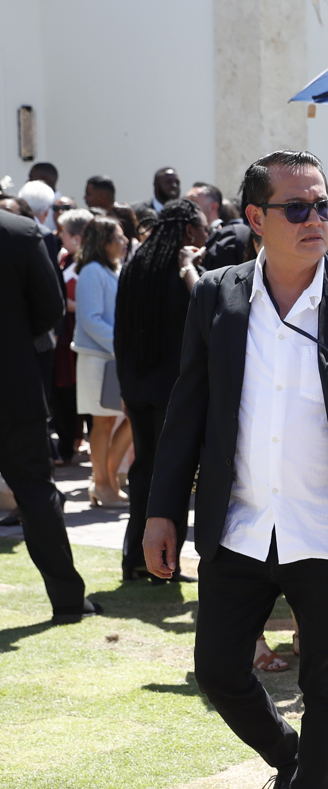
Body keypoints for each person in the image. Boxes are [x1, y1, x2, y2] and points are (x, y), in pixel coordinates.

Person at [142, 150, 328, 789]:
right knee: (216, 670)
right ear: (254, 219)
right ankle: (287, 754)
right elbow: (187, 410)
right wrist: (161, 508)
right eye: (296, 208)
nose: (314, 220)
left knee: (326, 690)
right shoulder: (218, 294)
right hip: (238, 527)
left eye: (323, 206)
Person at [0, 205, 100, 623]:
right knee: (37, 494)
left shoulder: (22, 231)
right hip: (13, 386)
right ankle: (68, 599)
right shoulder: (21, 232)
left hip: (15, 386)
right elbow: (50, 309)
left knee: (38, 495)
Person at [113, 199, 208, 583]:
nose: (207, 233)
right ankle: (164, 564)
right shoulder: (181, 272)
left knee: (144, 471)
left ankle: (136, 557)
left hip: (138, 386)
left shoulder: (138, 264)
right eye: (201, 227)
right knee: (172, 475)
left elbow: (121, 331)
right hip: (171, 392)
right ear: (188, 231)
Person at [72, 216, 131, 508]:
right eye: (118, 237)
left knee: (126, 418)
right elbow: (91, 320)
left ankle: (105, 481)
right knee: (103, 423)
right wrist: (124, 347)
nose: (125, 241)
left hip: (111, 358)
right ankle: (103, 484)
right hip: (97, 359)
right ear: (103, 242)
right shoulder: (93, 271)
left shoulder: (112, 269)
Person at [51, 208, 94, 465]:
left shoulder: (90, 264)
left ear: (76, 237)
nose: (59, 236)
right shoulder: (64, 258)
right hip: (65, 339)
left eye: (63, 232)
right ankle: (68, 446)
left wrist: (65, 304)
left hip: (83, 339)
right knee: (65, 396)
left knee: (85, 396)